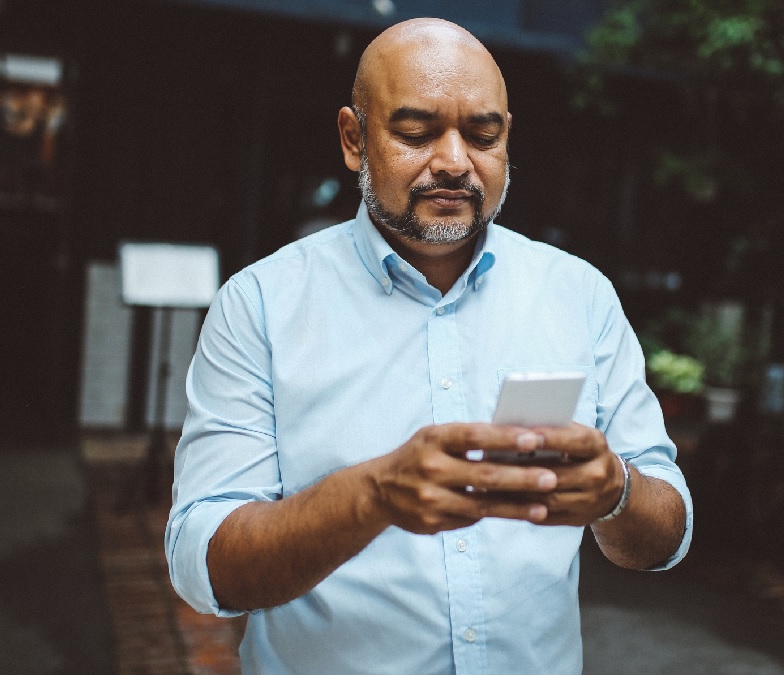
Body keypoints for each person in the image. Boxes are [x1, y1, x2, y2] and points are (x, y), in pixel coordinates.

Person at [166, 18, 692, 674]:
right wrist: (373, 495)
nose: (454, 161)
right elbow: (204, 566)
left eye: (483, 135)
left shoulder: (578, 295)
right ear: (353, 140)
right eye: (416, 132)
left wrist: (616, 491)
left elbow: (666, 531)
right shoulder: (261, 305)